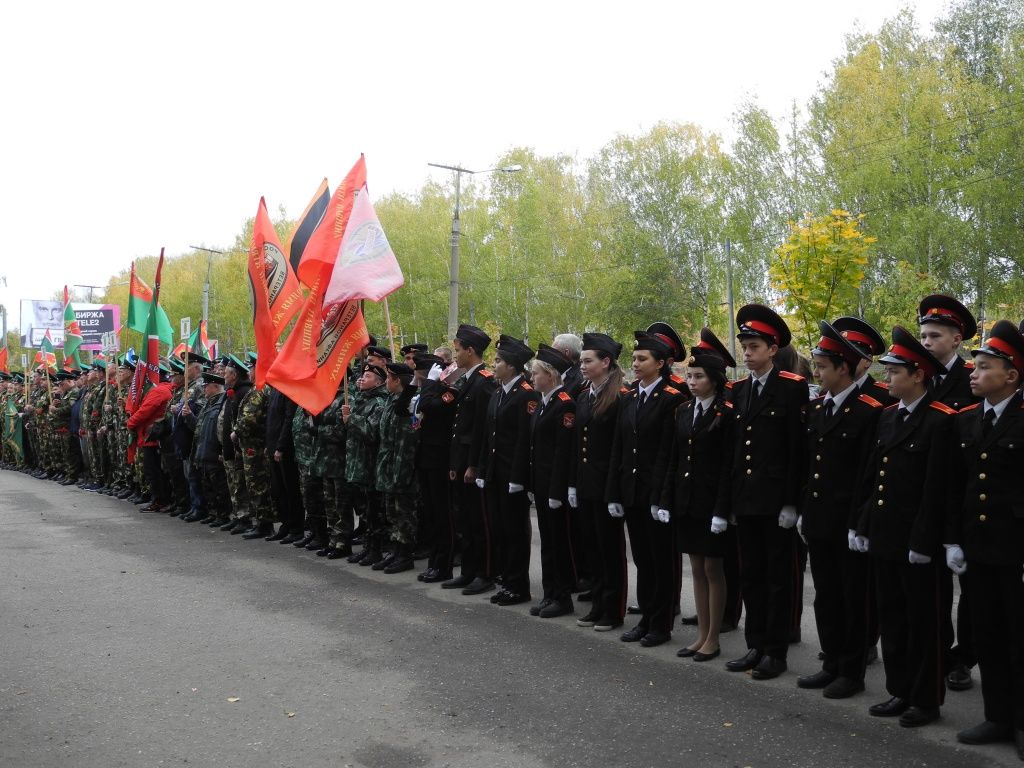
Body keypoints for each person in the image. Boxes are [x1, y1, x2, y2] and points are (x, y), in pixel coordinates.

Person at [856, 325, 954, 728]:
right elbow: (873, 475)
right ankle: (899, 690)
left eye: (894, 372)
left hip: (918, 541)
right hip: (885, 533)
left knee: (923, 622)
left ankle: (926, 698)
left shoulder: (940, 420)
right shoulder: (888, 416)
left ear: (917, 374)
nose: (886, 378)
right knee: (893, 616)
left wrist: (925, 539)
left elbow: (937, 488)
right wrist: (861, 524)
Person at [946, 320, 1024, 760]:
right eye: (974, 365)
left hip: (1015, 548)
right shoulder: (969, 419)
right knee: (989, 634)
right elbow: (958, 487)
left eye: (985, 366)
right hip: (979, 545)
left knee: (1019, 637)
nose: (973, 373)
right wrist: (953, 540)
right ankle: (997, 715)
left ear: (1011, 376)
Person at [797, 321, 882, 699]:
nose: (816, 373)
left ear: (843, 368)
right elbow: (810, 466)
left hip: (849, 522)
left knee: (852, 597)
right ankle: (830, 662)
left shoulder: (869, 412)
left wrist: (860, 524)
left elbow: (869, 475)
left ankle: (851, 670)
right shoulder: (817, 409)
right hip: (819, 519)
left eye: (821, 367)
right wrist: (803, 510)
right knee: (826, 595)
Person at [724, 304, 808, 680]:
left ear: (773, 349)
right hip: (746, 498)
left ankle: (775, 650)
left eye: (754, 346)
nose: (747, 352)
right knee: (751, 576)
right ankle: (755, 645)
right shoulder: (739, 390)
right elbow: (734, 451)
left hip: (776, 502)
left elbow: (796, 449)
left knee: (778, 578)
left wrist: (792, 500)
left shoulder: (792, 387)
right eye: (744, 346)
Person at [658, 327, 736, 662]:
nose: (691, 382)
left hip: (711, 503)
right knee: (696, 567)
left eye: (698, 376)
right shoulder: (683, 411)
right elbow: (674, 460)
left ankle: (713, 638)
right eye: (688, 376)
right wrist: (665, 499)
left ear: (715, 379)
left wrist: (722, 510)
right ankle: (701, 634)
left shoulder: (727, 413)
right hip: (687, 500)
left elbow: (727, 466)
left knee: (713, 570)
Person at [607, 331, 687, 648]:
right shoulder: (629, 396)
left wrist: (663, 496)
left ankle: (661, 622)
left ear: (660, 363)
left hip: (656, 494)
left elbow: (670, 453)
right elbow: (619, 448)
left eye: (642, 359)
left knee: (661, 560)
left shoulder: (672, 398)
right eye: (635, 358)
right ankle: (646, 617)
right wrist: (614, 492)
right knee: (641, 558)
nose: (635, 364)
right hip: (632, 490)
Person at [917, 293, 980, 694]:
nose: (926, 343)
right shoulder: (916, 375)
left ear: (956, 339)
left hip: (964, 497)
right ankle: (935, 652)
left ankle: (964, 657)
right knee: (930, 586)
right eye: (923, 335)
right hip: (923, 496)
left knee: (969, 589)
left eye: (934, 336)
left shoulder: (974, 379)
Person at [569, 333, 627, 632]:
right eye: (581, 361)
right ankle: (598, 605)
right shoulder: (584, 395)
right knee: (592, 547)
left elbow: (618, 446)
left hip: (607, 484)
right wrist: (573, 484)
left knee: (609, 550)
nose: (582, 366)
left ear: (606, 362)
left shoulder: (619, 396)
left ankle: (613, 609)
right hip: (586, 482)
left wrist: (614, 491)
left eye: (587, 361)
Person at [476, 334, 538, 603]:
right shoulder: (499, 392)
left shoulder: (526, 395)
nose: (495, 364)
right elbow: (488, 436)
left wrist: (518, 477)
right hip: (494, 473)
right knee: (500, 528)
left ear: (512, 366)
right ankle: (506, 580)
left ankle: (518, 586)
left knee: (515, 532)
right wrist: (482, 470)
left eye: (499, 360)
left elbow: (525, 441)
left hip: (512, 475)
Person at [440, 325, 497, 591]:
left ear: (470, 351)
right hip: (461, 461)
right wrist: (455, 464)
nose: (456, 354)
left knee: (478, 520)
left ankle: (484, 573)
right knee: (464, 517)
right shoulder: (468, 379)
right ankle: (469, 570)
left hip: (472, 463)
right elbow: (459, 427)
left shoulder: (484, 382)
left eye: (458, 350)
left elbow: (482, 431)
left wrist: (474, 464)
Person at [528, 344, 577, 618]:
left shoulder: (564, 404)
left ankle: (562, 597)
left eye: (536, 373)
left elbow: (563, 451)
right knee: (547, 541)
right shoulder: (545, 402)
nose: (532, 377)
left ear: (550, 374)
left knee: (559, 543)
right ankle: (549, 594)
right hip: (542, 483)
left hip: (554, 486)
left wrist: (558, 490)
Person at [413, 353, 458, 582]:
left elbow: (427, 406)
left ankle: (444, 565)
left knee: (443, 515)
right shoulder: (431, 388)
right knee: (431, 514)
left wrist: (430, 383)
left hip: (440, 459)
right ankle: (434, 563)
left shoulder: (450, 391)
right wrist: (422, 384)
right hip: (426, 457)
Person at [375, 362, 421, 573]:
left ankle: (405, 554)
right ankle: (395, 551)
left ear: (397, 381)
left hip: (400, 467)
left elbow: (405, 442)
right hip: (387, 464)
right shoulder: (392, 401)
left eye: (388, 378)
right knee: (391, 512)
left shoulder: (408, 404)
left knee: (403, 513)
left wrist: (400, 474)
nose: (385, 382)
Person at [831, 316, 896, 407]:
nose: (843, 360)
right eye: (839, 354)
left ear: (868, 361)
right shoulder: (829, 390)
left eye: (851, 355)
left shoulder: (886, 396)